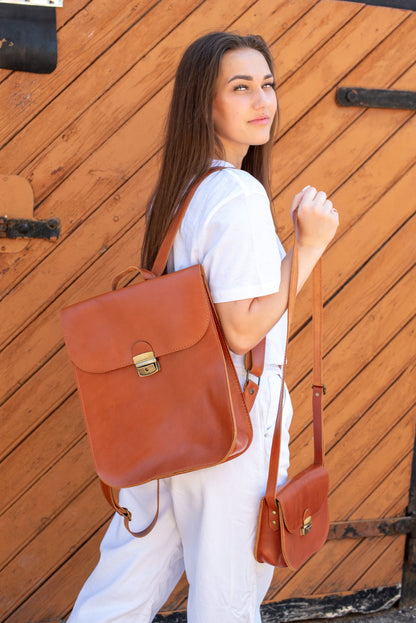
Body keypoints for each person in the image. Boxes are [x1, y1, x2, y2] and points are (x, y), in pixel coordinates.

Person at [67, 32, 338, 623]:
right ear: (204, 104)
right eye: (240, 88)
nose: (261, 99)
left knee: (121, 593)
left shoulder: (181, 193)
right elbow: (242, 331)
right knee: (227, 601)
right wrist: (308, 248)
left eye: (266, 84)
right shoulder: (237, 193)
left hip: (165, 428)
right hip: (229, 428)